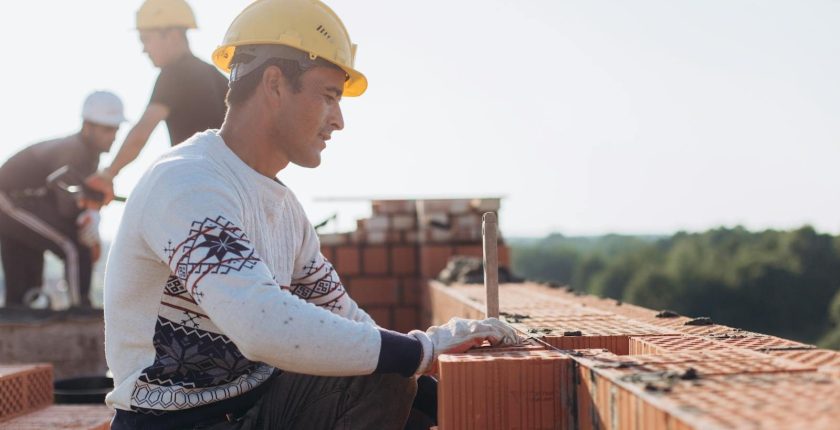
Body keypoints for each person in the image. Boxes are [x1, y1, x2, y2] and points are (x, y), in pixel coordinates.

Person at [103, 0, 519, 429]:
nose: (338, 121)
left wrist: (460, 390)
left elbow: (346, 325)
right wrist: (421, 351)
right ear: (275, 83)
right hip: (174, 423)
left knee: (387, 376)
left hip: (255, 409)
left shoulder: (284, 210)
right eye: (328, 96)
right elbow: (260, 324)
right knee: (390, 368)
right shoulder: (188, 182)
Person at [85, 0, 228, 204]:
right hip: (234, 186)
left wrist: (107, 174)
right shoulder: (215, 75)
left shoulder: (174, 73)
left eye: (146, 39)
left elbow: (141, 133)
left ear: (172, 35)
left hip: (202, 188)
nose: (144, 49)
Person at [0, 91, 126, 308]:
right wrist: (90, 218)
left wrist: (90, 212)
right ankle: (82, 311)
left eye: (115, 129)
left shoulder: (89, 155)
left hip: (30, 203)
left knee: (23, 294)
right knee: (73, 246)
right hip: (10, 202)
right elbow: (67, 208)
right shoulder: (74, 151)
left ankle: (21, 318)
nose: (113, 136)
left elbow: (71, 201)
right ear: (87, 127)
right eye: (107, 129)